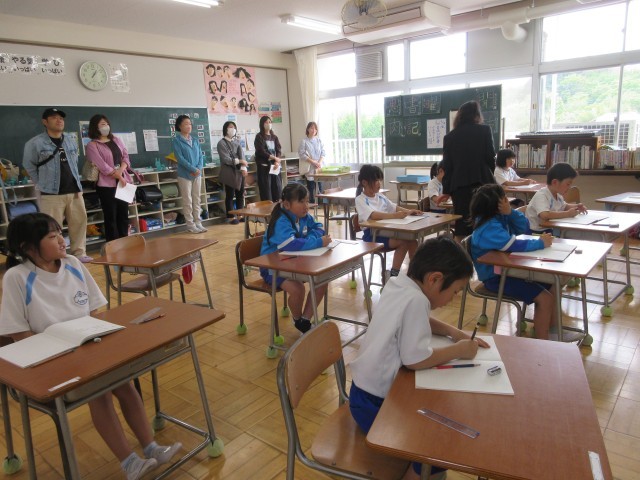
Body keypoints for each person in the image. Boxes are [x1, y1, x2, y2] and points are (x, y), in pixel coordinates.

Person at [0, 213, 181, 480]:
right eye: (52, 236)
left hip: (89, 346)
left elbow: (95, 311)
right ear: (28, 247)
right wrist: (52, 358)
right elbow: (19, 333)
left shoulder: (72, 264)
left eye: (60, 233)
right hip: (52, 361)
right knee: (101, 392)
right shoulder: (16, 277)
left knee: (125, 385)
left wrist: (98, 342)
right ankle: (130, 462)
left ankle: (151, 447)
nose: (62, 240)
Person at [349, 237, 488, 480]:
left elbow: (417, 319)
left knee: (437, 421)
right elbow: (415, 360)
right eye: (455, 291)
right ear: (434, 279)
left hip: (362, 394)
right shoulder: (417, 300)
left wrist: (453, 332)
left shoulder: (398, 284)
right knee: (436, 446)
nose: (453, 298)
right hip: (376, 406)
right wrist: (459, 350)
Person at [469, 184, 558, 339]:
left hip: (509, 271)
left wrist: (510, 213)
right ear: (497, 204)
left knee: (552, 284)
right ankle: (543, 341)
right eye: (504, 199)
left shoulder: (499, 218)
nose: (507, 201)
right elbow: (512, 244)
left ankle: (552, 330)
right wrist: (540, 243)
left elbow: (524, 228)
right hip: (496, 278)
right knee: (545, 298)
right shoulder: (488, 228)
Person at [259, 183, 331, 333]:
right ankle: (298, 320)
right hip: (272, 268)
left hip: (294, 263)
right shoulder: (281, 221)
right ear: (287, 204)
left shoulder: (304, 216)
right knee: (297, 289)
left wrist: (310, 238)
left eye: (307, 201)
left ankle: (305, 319)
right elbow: (291, 245)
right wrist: (317, 241)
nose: (306, 206)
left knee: (322, 280)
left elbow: (319, 227)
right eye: (301, 201)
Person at [22, 108, 92, 263]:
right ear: (45, 122)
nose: (59, 120)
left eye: (61, 118)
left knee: (79, 223)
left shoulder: (69, 139)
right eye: (54, 117)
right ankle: (55, 256)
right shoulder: (35, 143)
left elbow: (74, 163)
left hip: (74, 191)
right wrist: (41, 183)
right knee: (52, 228)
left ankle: (79, 253)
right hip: (51, 193)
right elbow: (29, 165)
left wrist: (78, 186)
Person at [438, 100, 496, 242]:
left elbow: (447, 166)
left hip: (460, 187)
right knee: (485, 222)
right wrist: (489, 177)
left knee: (462, 226)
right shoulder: (484, 130)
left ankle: (462, 254)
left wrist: (446, 190)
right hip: (482, 184)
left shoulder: (450, 137)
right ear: (477, 115)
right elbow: (490, 157)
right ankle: (484, 253)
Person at [355, 165, 421, 279]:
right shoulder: (360, 199)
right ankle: (393, 276)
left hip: (387, 231)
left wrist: (409, 211)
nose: (379, 183)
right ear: (364, 182)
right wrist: (394, 216)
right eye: (376, 180)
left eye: (379, 180)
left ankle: (414, 274)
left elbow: (394, 207)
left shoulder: (380, 196)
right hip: (373, 235)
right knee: (404, 242)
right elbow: (373, 215)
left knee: (413, 241)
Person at [85, 114, 132, 241]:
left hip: (122, 182)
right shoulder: (92, 145)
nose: (106, 126)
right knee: (111, 216)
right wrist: (119, 176)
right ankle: (113, 245)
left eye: (107, 124)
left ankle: (125, 242)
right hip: (106, 185)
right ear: (95, 127)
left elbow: (126, 157)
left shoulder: (116, 140)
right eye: (102, 124)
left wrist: (121, 172)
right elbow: (103, 166)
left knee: (123, 214)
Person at [525, 162, 587, 233]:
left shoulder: (558, 195)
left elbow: (564, 206)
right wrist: (568, 214)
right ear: (555, 182)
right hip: (536, 232)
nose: (570, 187)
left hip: (550, 229)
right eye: (568, 184)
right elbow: (545, 215)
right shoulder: (542, 195)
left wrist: (577, 207)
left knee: (572, 233)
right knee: (571, 234)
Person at [173, 115, 206, 234]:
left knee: (197, 199)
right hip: (185, 175)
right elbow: (180, 158)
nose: (189, 126)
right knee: (187, 200)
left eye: (190, 123)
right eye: (186, 124)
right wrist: (192, 168)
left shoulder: (195, 140)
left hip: (197, 174)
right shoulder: (177, 141)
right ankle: (190, 225)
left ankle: (198, 222)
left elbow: (201, 156)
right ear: (179, 126)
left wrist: (199, 168)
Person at [217, 121, 247, 225]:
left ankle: (240, 215)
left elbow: (242, 155)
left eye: (234, 127)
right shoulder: (221, 143)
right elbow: (226, 159)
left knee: (240, 194)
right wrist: (239, 161)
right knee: (230, 195)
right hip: (228, 172)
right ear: (225, 129)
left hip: (239, 172)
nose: (232, 129)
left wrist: (244, 168)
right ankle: (230, 216)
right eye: (230, 127)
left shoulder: (237, 142)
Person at [254, 115, 283, 202]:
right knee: (266, 192)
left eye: (270, 122)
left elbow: (278, 150)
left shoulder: (274, 137)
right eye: (266, 122)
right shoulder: (259, 136)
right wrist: (273, 157)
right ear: (262, 124)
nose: (268, 124)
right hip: (264, 167)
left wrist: (277, 161)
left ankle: (277, 209)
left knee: (277, 190)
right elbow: (261, 151)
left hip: (274, 167)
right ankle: (268, 210)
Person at [297, 121, 325, 203]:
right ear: (308, 129)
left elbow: (323, 153)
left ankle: (320, 203)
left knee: (320, 185)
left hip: (319, 166)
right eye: (312, 128)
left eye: (315, 129)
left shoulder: (319, 140)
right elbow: (302, 154)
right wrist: (313, 162)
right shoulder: (304, 141)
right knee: (311, 186)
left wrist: (319, 162)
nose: (313, 130)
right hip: (310, 166)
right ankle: (312, 203)